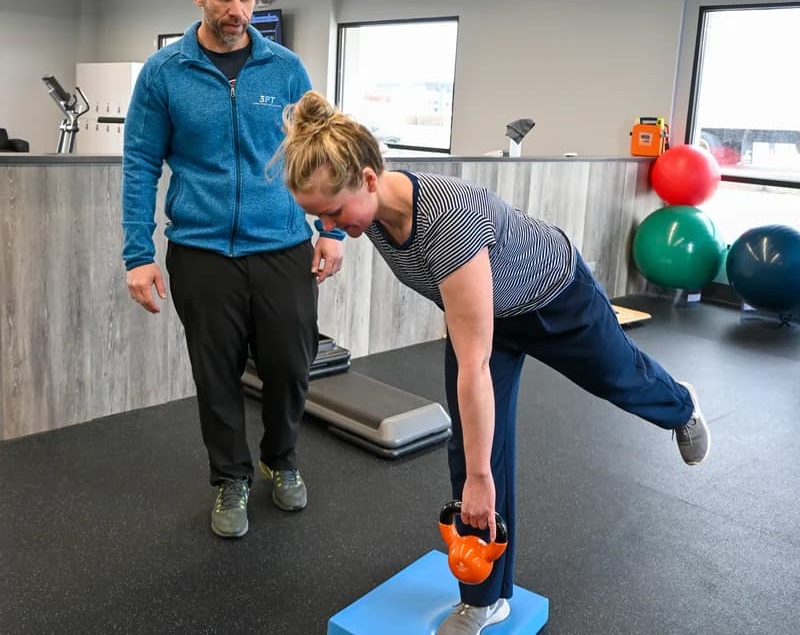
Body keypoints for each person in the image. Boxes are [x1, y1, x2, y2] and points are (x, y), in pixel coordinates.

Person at [277, 91, 711, 635]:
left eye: (333, 213)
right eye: (317, 216)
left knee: (617, 377)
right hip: (488, 312)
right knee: (473, 444)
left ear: (367, 179)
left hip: (554, 294)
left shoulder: (446, 224)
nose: (328, 223)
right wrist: (335, 231)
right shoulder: (372, 206)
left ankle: (680, 407)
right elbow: (471, 344)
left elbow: (473, 367)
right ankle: (484, 599)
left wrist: (482, 480)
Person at [122, 0, 344, 540]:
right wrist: (138, 255)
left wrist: (330, 229)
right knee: (215, 374)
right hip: (202, 250)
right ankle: (231, 479)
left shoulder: (286, 69)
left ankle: (282, 457)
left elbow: (317, 155)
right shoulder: (164, 73)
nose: (237, 8)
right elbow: (141, 163)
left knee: (291, 366)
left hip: (281, 244)